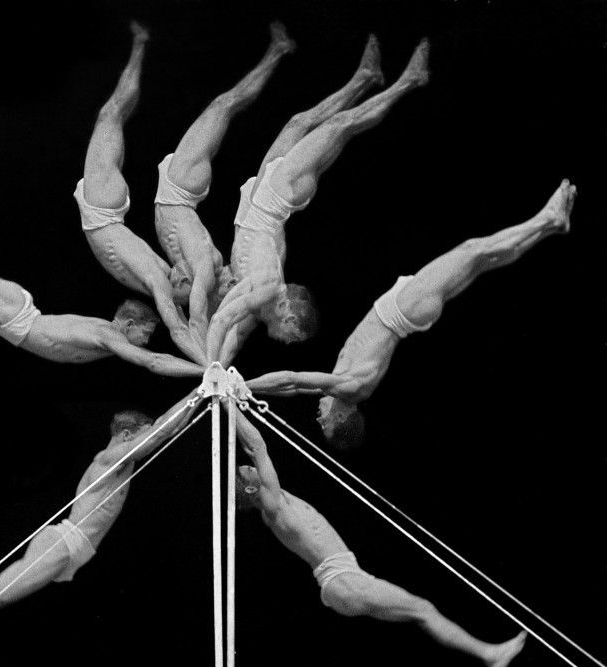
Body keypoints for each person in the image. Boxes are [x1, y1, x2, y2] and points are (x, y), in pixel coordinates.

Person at [247, 179, 578, 448]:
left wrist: (249, 389)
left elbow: (292, 388)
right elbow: (292, 379)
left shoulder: (343, 389)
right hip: (403, 310)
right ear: (342, 417)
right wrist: (244, 385)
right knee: (473, 250)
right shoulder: (349, 388)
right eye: (326, 425)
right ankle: (545, 219)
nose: (318, 419)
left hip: (407, 310)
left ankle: (550, 227)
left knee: (482, 261)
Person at [0, 393, 201, 660]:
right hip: (62, 542)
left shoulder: (124, 461)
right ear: (125, 435)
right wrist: (197, 392)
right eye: (143, 434)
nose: (149, 441)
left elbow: (169, 428)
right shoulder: (109, 459)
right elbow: (162, 430)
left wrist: (200, 400)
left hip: (71, 550)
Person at [232, 409, 527, 667]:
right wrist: (230, 402)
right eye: (248, 470)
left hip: (345, 578)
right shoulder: (273, 506)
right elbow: (257, 445)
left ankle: (489, 654)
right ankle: (489, 654)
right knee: (422, 609)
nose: (253, 466)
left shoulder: (275, 500)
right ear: (250, 490)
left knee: (419, 610)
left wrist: (236, 416)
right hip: (341, 579)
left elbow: (250, 446)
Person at [206, 36, 430, 364]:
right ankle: (400, 81)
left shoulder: (261, 297)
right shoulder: (266, 291)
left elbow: (227, 328)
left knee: (305, 122)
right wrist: (212, 367)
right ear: (289, 316)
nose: (286, 343)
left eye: (291, 339)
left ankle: (373, 78)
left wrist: (210, 368)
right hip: (276, 195)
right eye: (292, 339)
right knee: (340, 126)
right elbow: (228, 329)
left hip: (268, 194)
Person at [0, 161, 204, 377]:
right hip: (15, 315)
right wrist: (204, 370)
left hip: (17, 313)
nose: (146, 341)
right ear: (129, 324)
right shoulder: (109, 335)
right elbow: (153, 362)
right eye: (146, 333)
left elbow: (167, 330)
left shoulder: (108, 333)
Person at [154, 22, 295, 348]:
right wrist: (207, 356)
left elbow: (201, 311)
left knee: (225, 106)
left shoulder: (201, 267)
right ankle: (277, 51)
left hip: (178, 190)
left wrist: (206, 348)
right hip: (179, 189)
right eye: (235, 281)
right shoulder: (205, 265)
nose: (234, 277)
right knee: (223, 105)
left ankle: (277, 52)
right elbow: (202, 314)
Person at [74, 22, 206, 365]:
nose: (179, 270)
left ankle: (139, 46)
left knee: (112, 116)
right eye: (184, 273)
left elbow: (177, 326)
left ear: (180, 294)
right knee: (111, 115)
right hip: (103, 210)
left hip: (104, 211)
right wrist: (207, 357)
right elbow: (182, 322)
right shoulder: (161, 276)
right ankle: (139, 45)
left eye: (183, 279)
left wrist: (207, 363)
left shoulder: (160, 283)